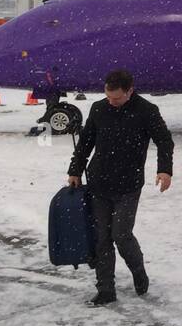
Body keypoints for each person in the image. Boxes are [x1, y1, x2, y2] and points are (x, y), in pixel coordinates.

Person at [66, 69, 174, 306]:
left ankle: (138, 271)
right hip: (99, 183)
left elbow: (164, 140)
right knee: (102, 238)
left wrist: (164, 169)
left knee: (121, 235)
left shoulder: (146, 111)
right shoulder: (98, 109)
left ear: (130, 91)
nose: (111, 102)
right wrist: (75, 170)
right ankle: (106, 289)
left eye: (117, 98)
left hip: (128, 184)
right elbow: (85, 143)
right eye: (108, 97)